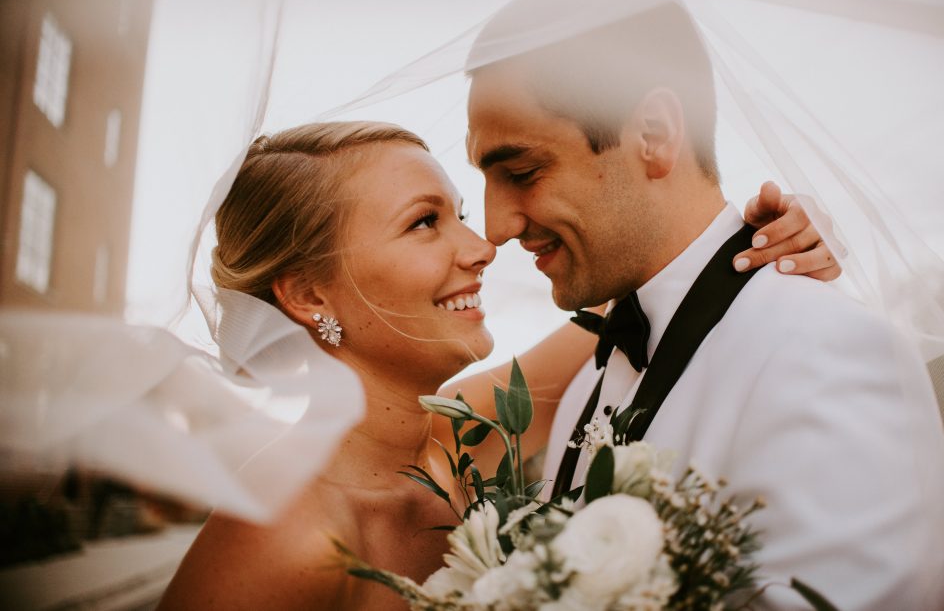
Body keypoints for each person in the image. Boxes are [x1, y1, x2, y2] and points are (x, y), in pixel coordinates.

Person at [157, 121, 836, 610]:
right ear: (309, 295)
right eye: (425, 223)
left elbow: (669, 288)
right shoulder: (281, 536)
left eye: (457, 214)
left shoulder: (464, 435)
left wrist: (767, 240)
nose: (482, 246)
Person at [463, 0, 944, 610]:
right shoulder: (588, 381)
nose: (496, 226)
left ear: (655, 135)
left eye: (523, 172)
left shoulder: (827, 351)